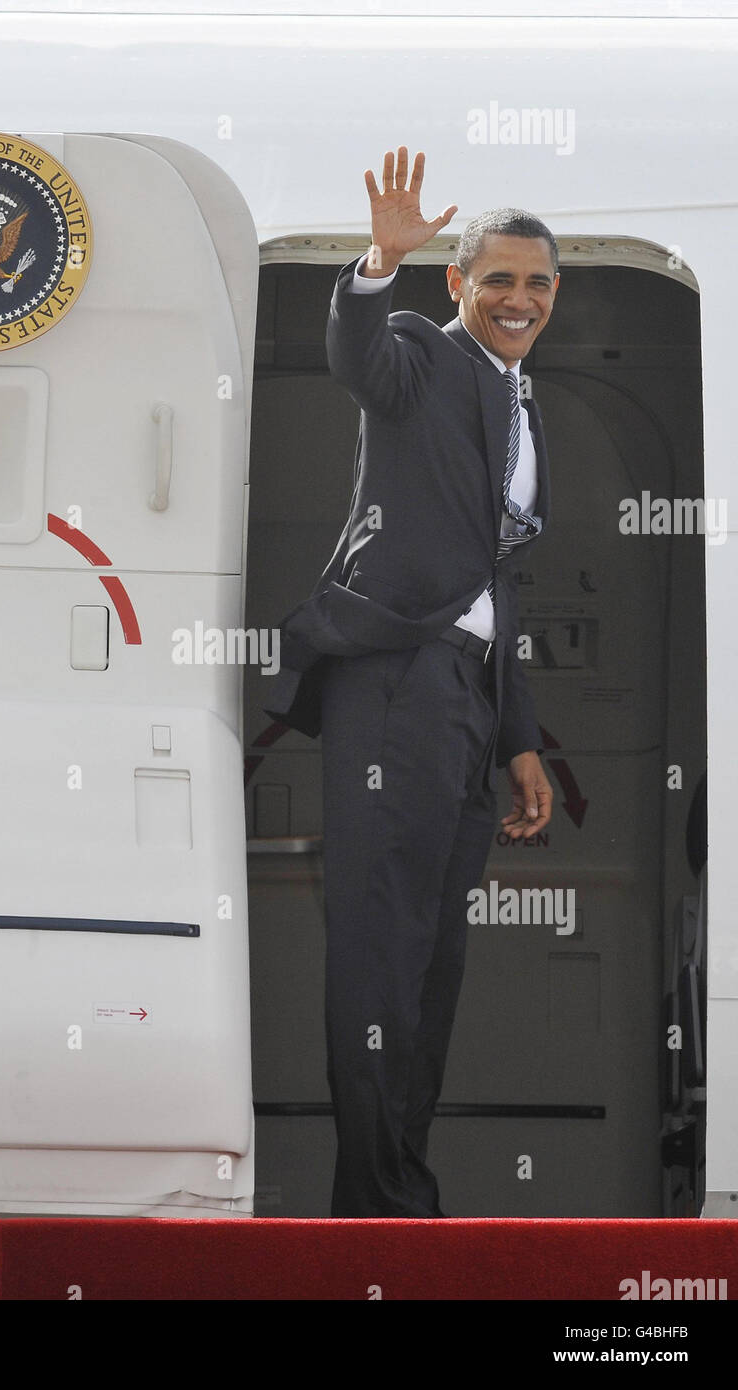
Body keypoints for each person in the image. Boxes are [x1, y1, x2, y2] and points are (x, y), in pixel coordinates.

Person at [263, 148, 557, 1217]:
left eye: (536, 283)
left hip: (462, 699)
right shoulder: (420, 359)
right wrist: (376, 263)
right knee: (382, 950)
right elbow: (357, 355)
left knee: (432, 960)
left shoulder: (524, 405)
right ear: (457, 285)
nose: (518, 299)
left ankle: (396, 1188)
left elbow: (497, 587)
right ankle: (379, 1206)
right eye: (497, 280)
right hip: (393, 683)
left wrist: (516, 735)